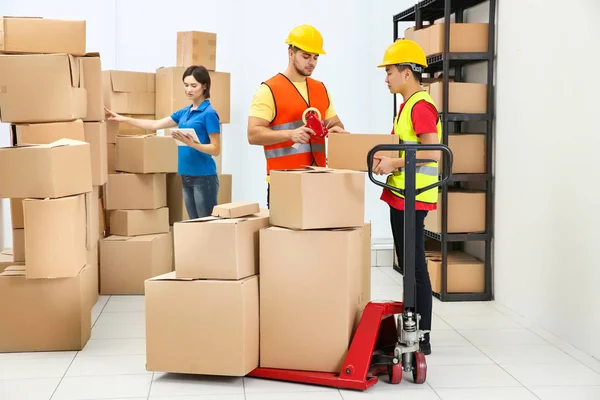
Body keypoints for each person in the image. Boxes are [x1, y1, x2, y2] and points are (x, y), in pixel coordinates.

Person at [373, 39, 442, 356]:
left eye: (389, 72)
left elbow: (431, 153)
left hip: (414, 196)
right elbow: (405, 147)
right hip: (401, 194)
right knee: (408, 264)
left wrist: (394, 163)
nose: (386, 78)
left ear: (406, 72)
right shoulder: (406, 106)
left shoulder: (421, 106)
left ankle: (422, 335)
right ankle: (412, 327)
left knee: (415, 267)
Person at [247, 24, 347, 206]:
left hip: (317, 179)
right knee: (284, 235)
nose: (312, 62)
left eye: (316, 57)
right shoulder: (269, 89)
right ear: (290, 53)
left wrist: (335, 130)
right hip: (284, 182)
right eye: (306, 56)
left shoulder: (321, 88)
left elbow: (336, 123)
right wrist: (289, 134)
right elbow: (252, 134)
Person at [105, 65, 221, 219]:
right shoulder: (184, 112)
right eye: (186, 85)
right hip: (186, 174)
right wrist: (123, 118)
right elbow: (154, 124)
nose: (189, 90)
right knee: (195, 224)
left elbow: (216, 148)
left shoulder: (209, 113)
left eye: (194, 85)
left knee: (206, 225)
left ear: (204, 86)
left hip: (204, 177)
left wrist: (193, 144)